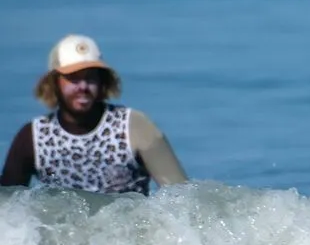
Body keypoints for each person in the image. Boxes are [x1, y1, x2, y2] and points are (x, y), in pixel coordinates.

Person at [2, 35, 189, 194]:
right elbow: (8, 207)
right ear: (54, 83)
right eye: (73, 78)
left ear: (102, 82)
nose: (83, 87)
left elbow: (182, 196)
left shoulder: (134, 126)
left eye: (90, 77)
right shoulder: (33, 137)